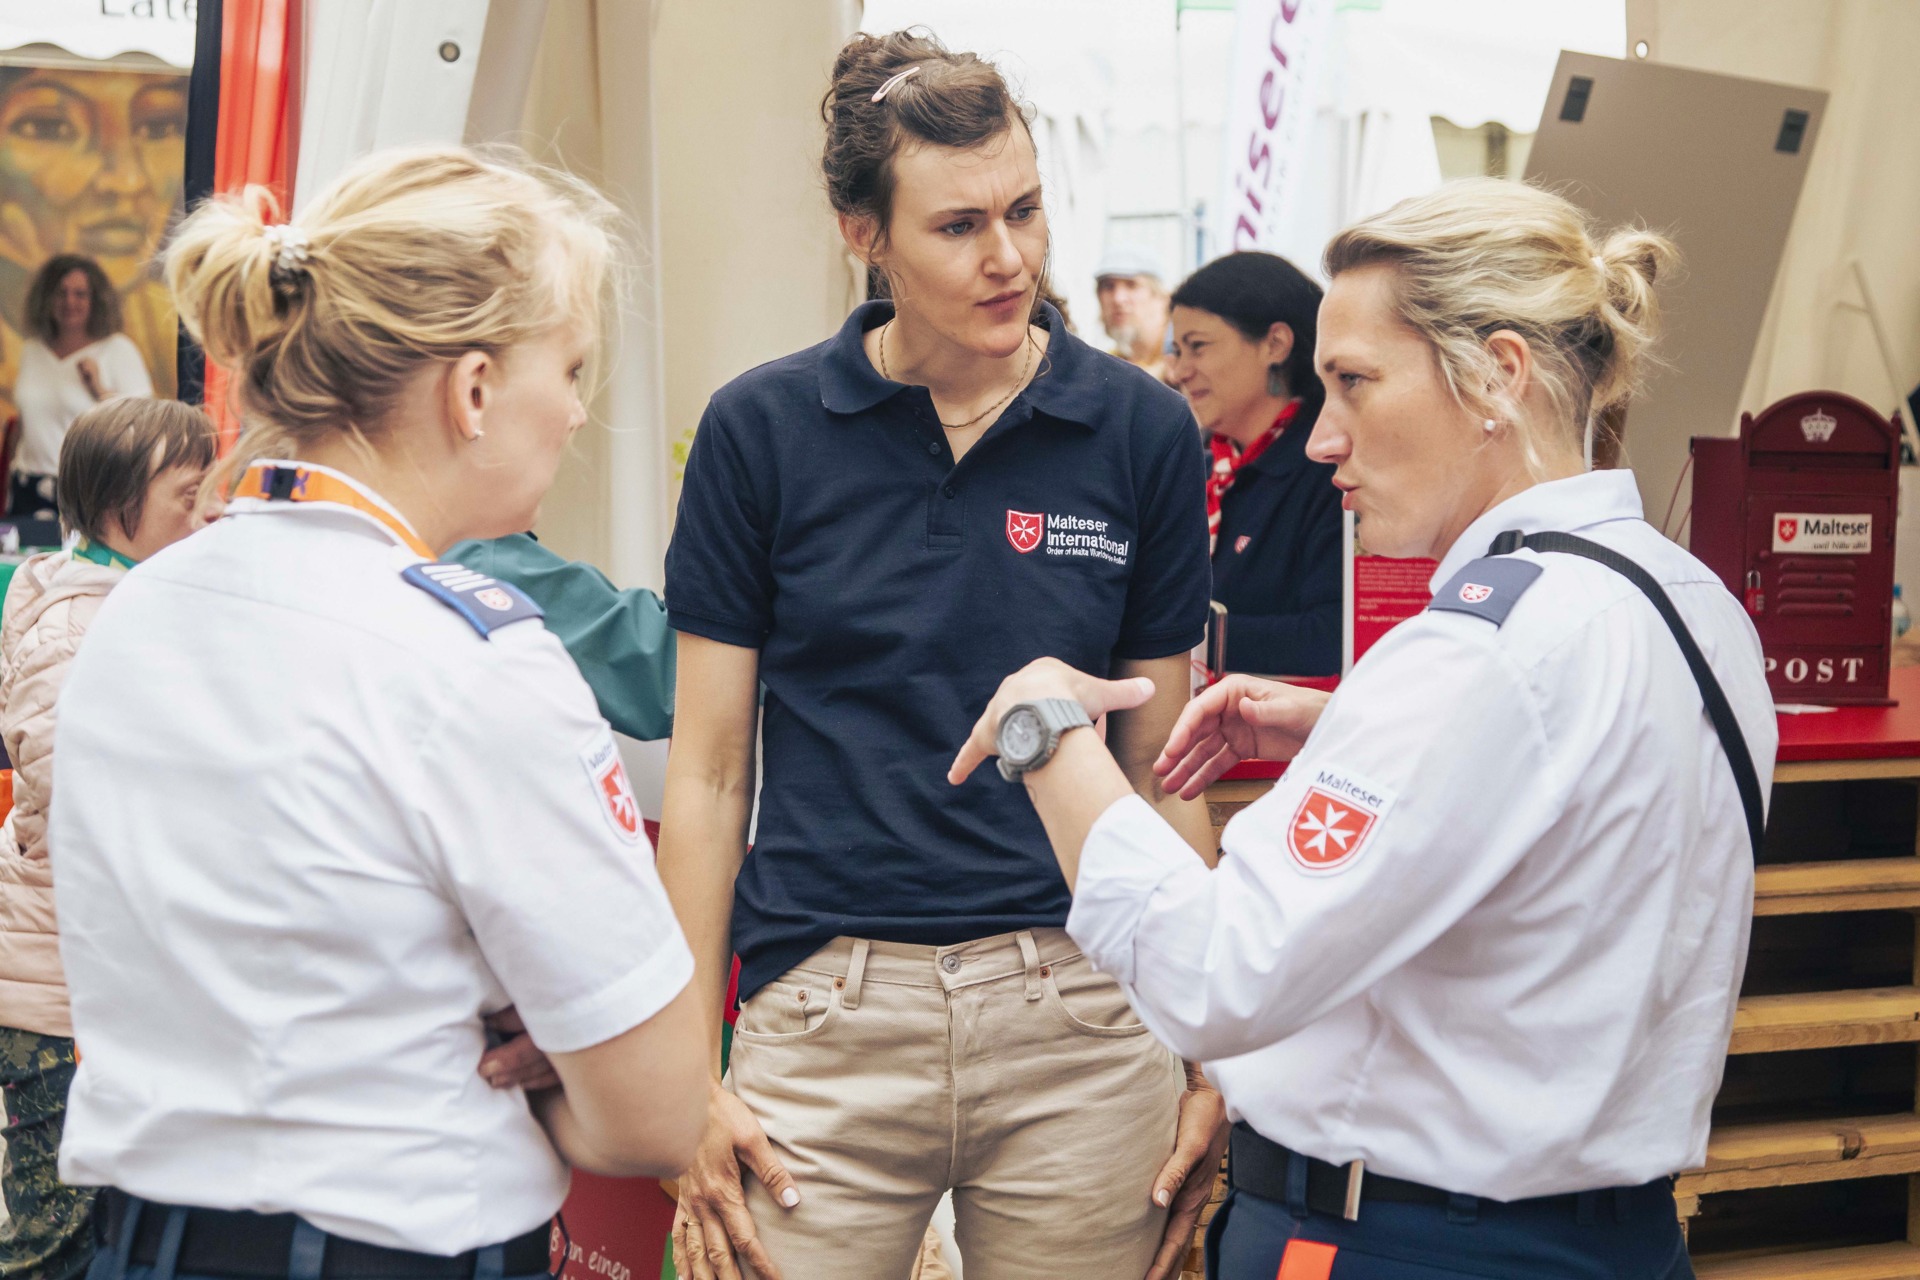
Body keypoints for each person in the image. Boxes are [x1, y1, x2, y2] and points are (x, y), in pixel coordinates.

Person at [952, 178, 1778, 1279]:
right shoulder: (1688, 601)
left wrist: (1047, 734)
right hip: (1611, 1234)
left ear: (1498, 373)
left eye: (1354, 383)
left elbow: (1214, 972)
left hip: (1408, 1237)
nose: (1322, 439)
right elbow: (1586, 807)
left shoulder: (1480, 650)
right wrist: (1354, 726)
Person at [46, 146, 709, 1280]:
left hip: (141, 1240)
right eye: (572, 366)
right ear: (475, 389)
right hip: (388, 1247)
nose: (577, 407)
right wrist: (549, 1047)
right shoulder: (475, 658)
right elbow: (656, 1110)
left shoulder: (133, 612)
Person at [662, 31, 1225, 1280]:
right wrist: (682, 1076)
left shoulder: (1139, 429)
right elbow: (705, 777)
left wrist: (1210, 1050)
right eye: (960, 224)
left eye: (1025, 209)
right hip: (824, 1016)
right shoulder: (761, 431)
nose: (1010, 257)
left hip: (1085, 1008)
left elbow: (1164, 767)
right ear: (862, 232)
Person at [0, 397, 216, 1280]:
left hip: (106, 990)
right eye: (189, 497)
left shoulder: (133, 604)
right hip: (60, 1002)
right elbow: (71, 803)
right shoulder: (73, 624)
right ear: (119, 506)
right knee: (55, 1238)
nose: (208, 517)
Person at [1169, 251, 1341, 676]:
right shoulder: (1203, 469)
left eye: (1198, 347)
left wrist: (1171, 636)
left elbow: (1334, 635)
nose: (1180, 371)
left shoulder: (1331, 468)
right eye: (1178, 350)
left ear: (1275, 344)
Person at [0, 65, 187, 405]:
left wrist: (99, 388)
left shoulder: (156, 333)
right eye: (48, 127)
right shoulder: (32, 351)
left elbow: (138, 423)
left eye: (160, 126)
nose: (126, 180)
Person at [11, 255, 153, 521]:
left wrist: (99, 389)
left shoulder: (117, 349)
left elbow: (145, 423)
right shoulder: (32, 350)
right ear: (46, 299)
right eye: (60, 293)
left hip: (87, 490)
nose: (69, 302)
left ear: (95, 301)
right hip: (27, 486)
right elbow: (26, 423)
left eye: (80, 294)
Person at [1096, 244, 1172, 381]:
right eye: (1108, 286)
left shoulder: (1182, 363)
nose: (1118, 299)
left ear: (1162, 298)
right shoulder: (1108, 363)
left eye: (1132, 285)